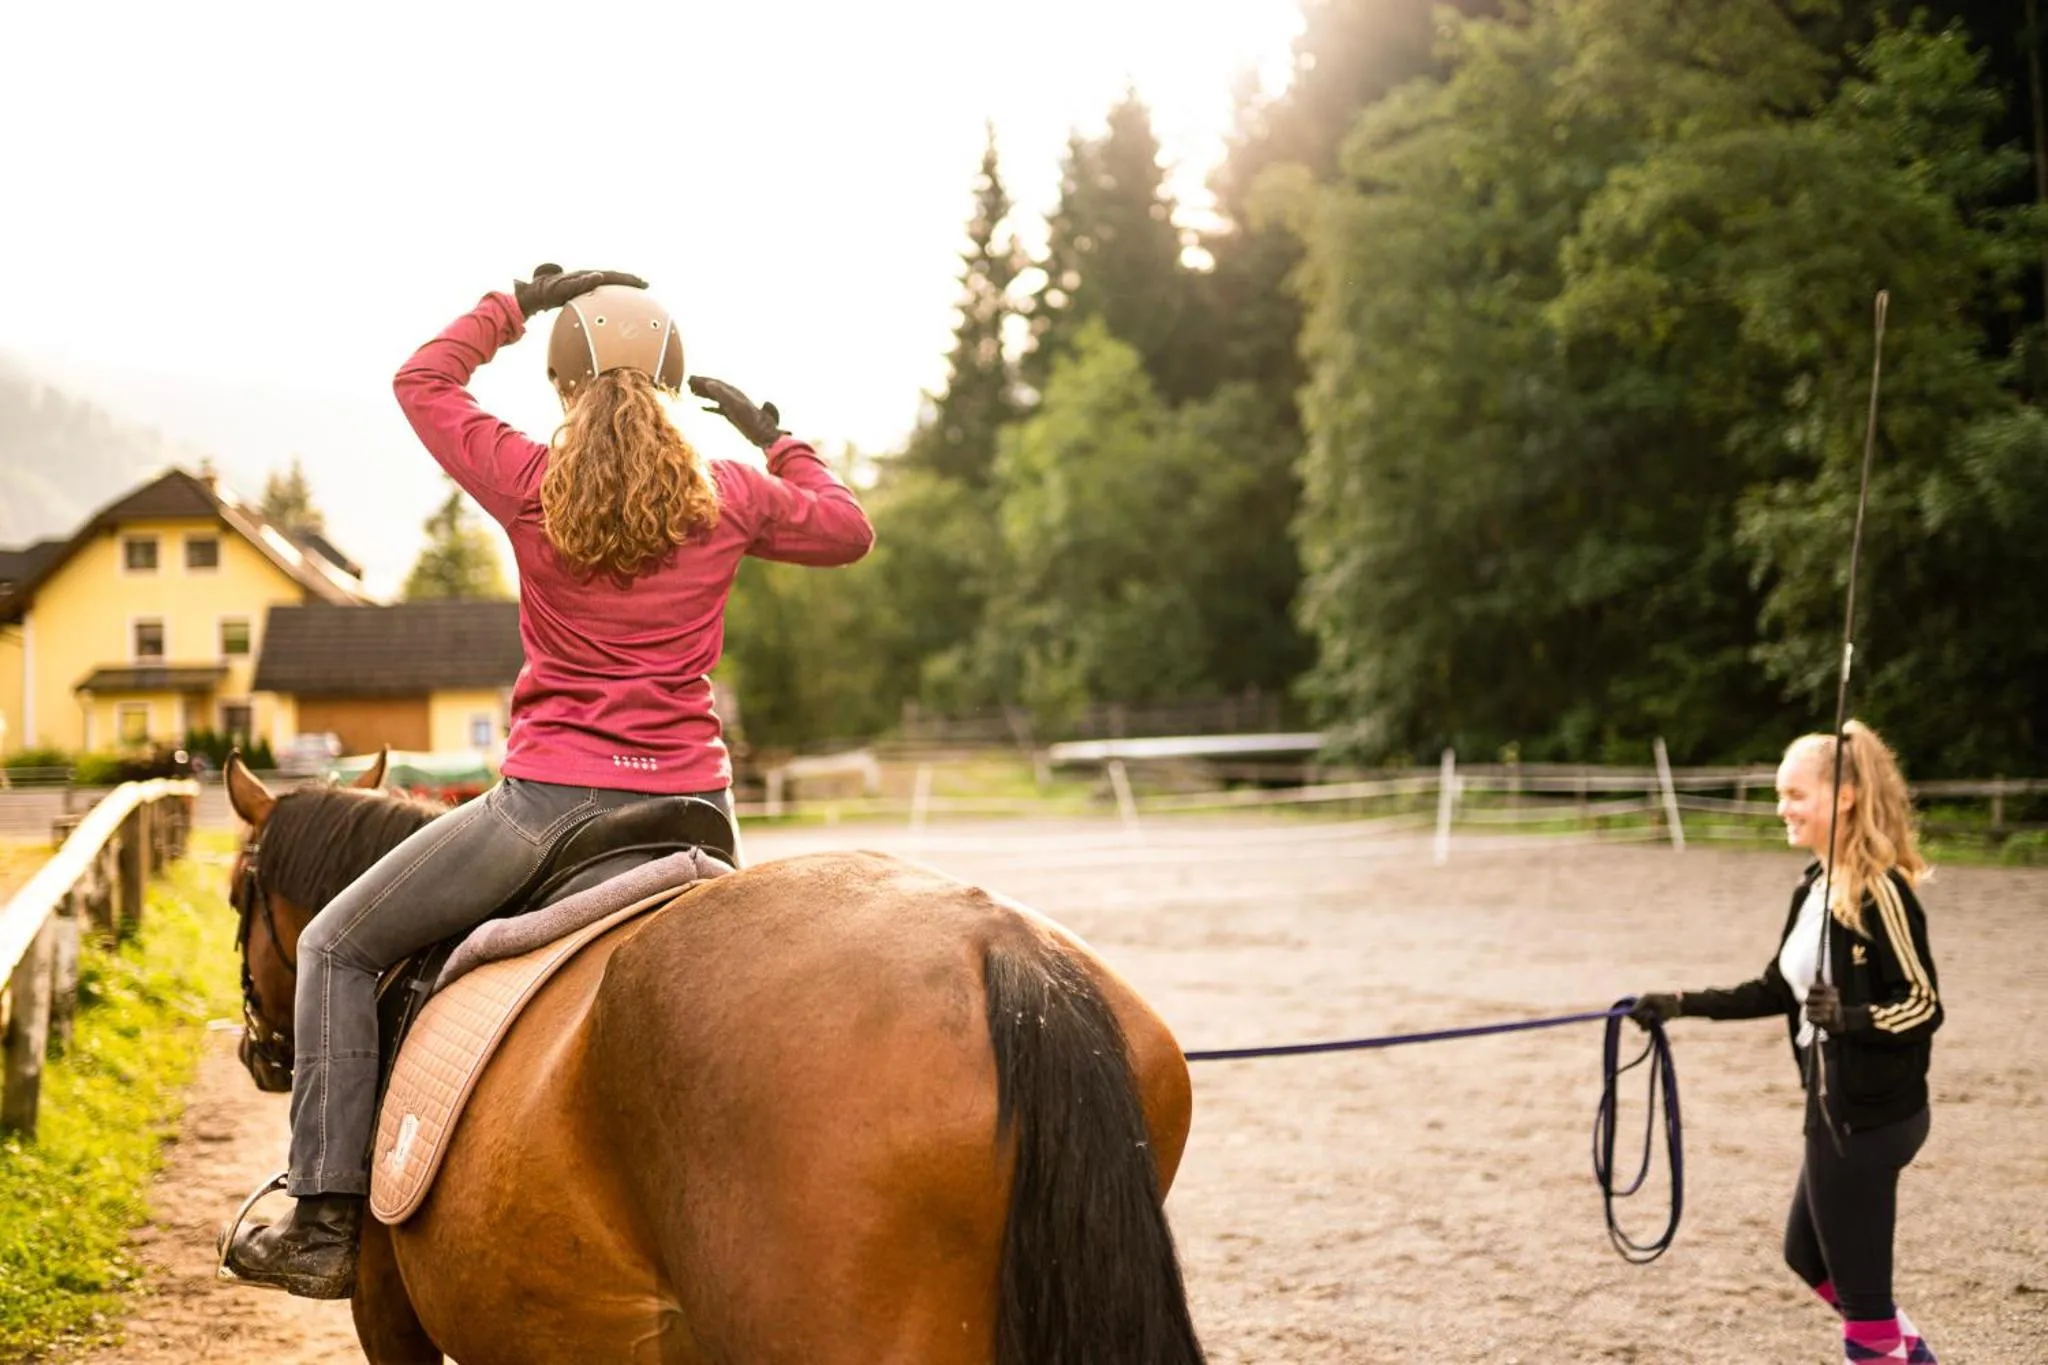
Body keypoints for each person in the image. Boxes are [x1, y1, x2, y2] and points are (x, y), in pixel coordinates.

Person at [225, 264, 875, 1298]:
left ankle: (323, 1221)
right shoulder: (733, 493)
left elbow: (421, 382)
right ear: (673, 386)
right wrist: (777, 438)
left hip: (548, 810)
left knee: (337, 947)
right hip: (694, 816)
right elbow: (847, 530)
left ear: (564, 386)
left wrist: (513, 307)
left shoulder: (530, 480)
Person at [1631, 720, 1941, 1364]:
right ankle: (1907, 1355)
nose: (1783, 809)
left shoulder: (1879, 890)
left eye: (1796, 794)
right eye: (1780, 795)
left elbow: (1922, 1003)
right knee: (1807, 1256)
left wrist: (1851, 1018)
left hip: (1869, 1116)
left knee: (1863, 1305)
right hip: (1830, 1108)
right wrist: (1681, 1003)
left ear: (1845, 797)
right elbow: (1777, 987)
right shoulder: (1814, 885)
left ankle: (1887, 1349)